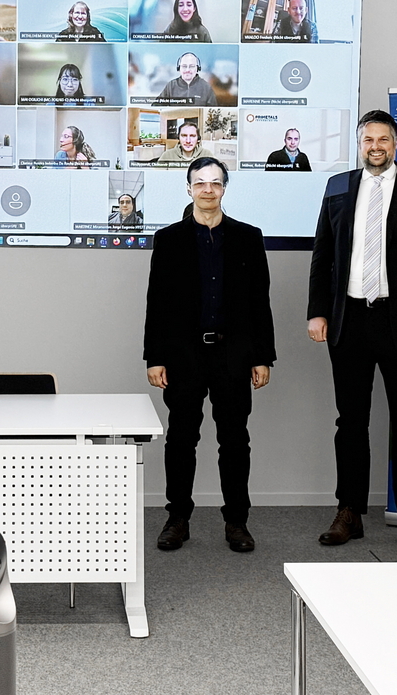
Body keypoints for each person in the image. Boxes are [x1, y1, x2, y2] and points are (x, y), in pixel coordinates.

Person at [306, 111, 397, 552]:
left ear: (395, 143)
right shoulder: (338, 187)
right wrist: (317, 312)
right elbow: (322, 255)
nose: (375, 146)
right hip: (348, 321)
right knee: (350, 421)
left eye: (383, 139)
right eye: (368, 139)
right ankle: (349, 511)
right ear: (359, 142)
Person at [144, 157, 275, 554]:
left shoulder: (249, 237)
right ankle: (177, 518)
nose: (207, 189)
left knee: (235, 441)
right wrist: (155, 357)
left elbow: (259, 303)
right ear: (188, 188)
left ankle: (237, 522)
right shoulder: (168, 240)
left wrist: (262, 357)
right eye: (200, 183)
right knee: (181, 440)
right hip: (183, 356)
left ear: (224, 189)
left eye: (215, 183)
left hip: (234, 355)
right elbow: (157, 304)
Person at [155, 52, 219, 106]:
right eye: (184, 66)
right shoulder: (171, 86)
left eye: (191, 66)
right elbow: (156, 106)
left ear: (198, 68)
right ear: (179, 68)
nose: (188, 70)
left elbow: (213, 112)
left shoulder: (206, 87)